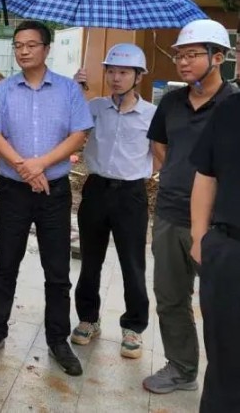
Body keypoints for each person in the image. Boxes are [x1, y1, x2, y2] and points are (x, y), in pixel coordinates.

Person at [0, 20, 93, 377]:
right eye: (18, 45)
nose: (23, 51)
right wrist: (26, 168)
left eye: (31, 45)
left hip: (54, 192)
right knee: (5, 263)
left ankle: (57, 339)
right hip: (13, 191)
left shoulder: (68, 90)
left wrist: (41, 164)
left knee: (57, 269)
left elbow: (79, 134)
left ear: (46, 48)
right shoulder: (4, 89)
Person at [142, 18, 235, 394]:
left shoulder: (233, 106)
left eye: (192, 54)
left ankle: (227, 376)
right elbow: (159, 145)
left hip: (219, 225)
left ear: (218, 57)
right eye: (178, 55)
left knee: (223, 305)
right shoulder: (171, 102)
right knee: (170, 297)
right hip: (169, 214)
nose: (182, 62)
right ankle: (181, 367)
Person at [70, 44, 155, 359]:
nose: (116, 78)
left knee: (132, 263)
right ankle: (88, 319)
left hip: (131, 195)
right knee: (90, 260)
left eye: (124, 72)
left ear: (138, 76)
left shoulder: (151, 115)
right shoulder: (94, 107)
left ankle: (133, 327)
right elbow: (69, 124)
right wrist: (75, 90)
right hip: (96, 190)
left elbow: (160, 154)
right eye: (111, 71)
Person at [190, 90, 240, 412]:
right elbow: (206, 175)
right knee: (225, 364)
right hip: (230, 251)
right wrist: (200, 238)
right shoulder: (230, 110)